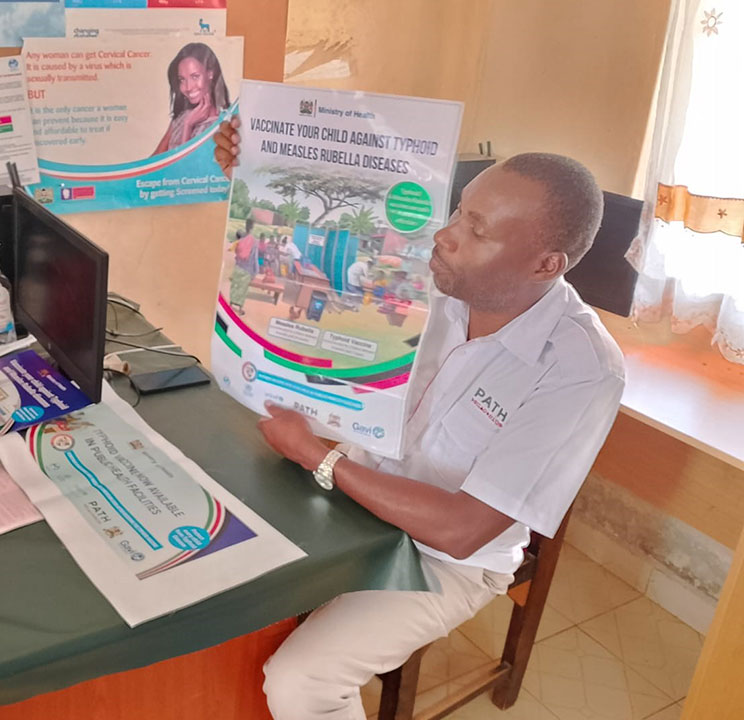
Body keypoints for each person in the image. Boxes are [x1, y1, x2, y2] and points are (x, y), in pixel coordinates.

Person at [215, 119, 625, 720]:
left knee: (300, 681)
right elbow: (318, 246)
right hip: (352, 491)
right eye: (459, 210)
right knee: (219, 563)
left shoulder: (580, 369)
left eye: (476, 229)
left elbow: (463, 530)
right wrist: (254, 171)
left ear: (545, 264)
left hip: (445, 561)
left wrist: (318, 458)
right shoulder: (439, 280)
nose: (445, 235)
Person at [152, 42, 230, 156]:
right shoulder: (181, 117)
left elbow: (185, 166)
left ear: (210, 74)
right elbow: (153, 161)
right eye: (182, 79)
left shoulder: (221, 126)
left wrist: (188, 126)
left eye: (195, 76)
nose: (188, 87)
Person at [229, 218, 259, 315]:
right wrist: (255, 272)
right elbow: (254, 258)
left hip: (238, 267)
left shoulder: (240, 240)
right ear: (253, 227)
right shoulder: (254, 242)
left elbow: (236, 254)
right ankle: (240, 309)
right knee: (243, 289)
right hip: (247, 269)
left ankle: (230, 305)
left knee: (235, 286)